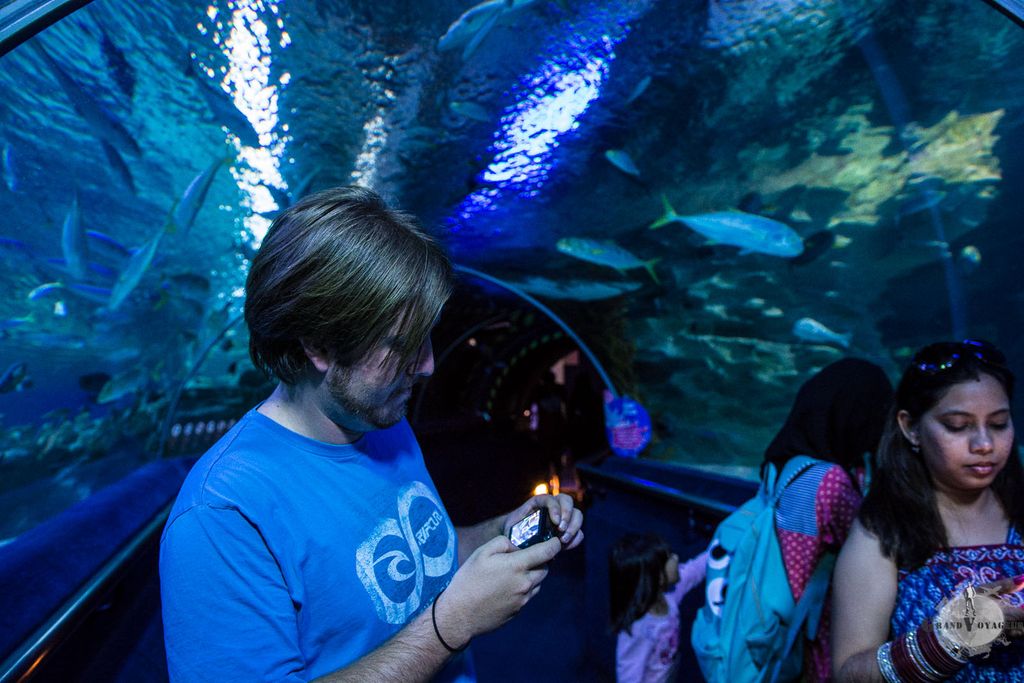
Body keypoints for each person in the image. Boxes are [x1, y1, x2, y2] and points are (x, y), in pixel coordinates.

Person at [159, 186, 584, 682]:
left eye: (427, 338)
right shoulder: (222, 515)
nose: (426, 366)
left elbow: (420, 559)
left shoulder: (383, 419)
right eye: (402, 345)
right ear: (319, 343)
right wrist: (449, 625)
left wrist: (499, 529)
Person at [832, 339, 1024, 682]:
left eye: (998, 424)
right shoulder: (884, 533)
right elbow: (847, 675)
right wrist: (950, 639)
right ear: (910, 427)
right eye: (957, 426)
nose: (984, 444)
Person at [762, 357, 893, 682]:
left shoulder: (784, 463)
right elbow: (875, 541)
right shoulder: (830, 482)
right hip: (815, 632)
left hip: (779, 623)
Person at [610, 533, 707, 683]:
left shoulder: (668, 595)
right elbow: (628, 677)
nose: (675, 557)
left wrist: (718, 550)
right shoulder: (637, 630)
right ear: (659, 577)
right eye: (669, 557)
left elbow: (694, 571)